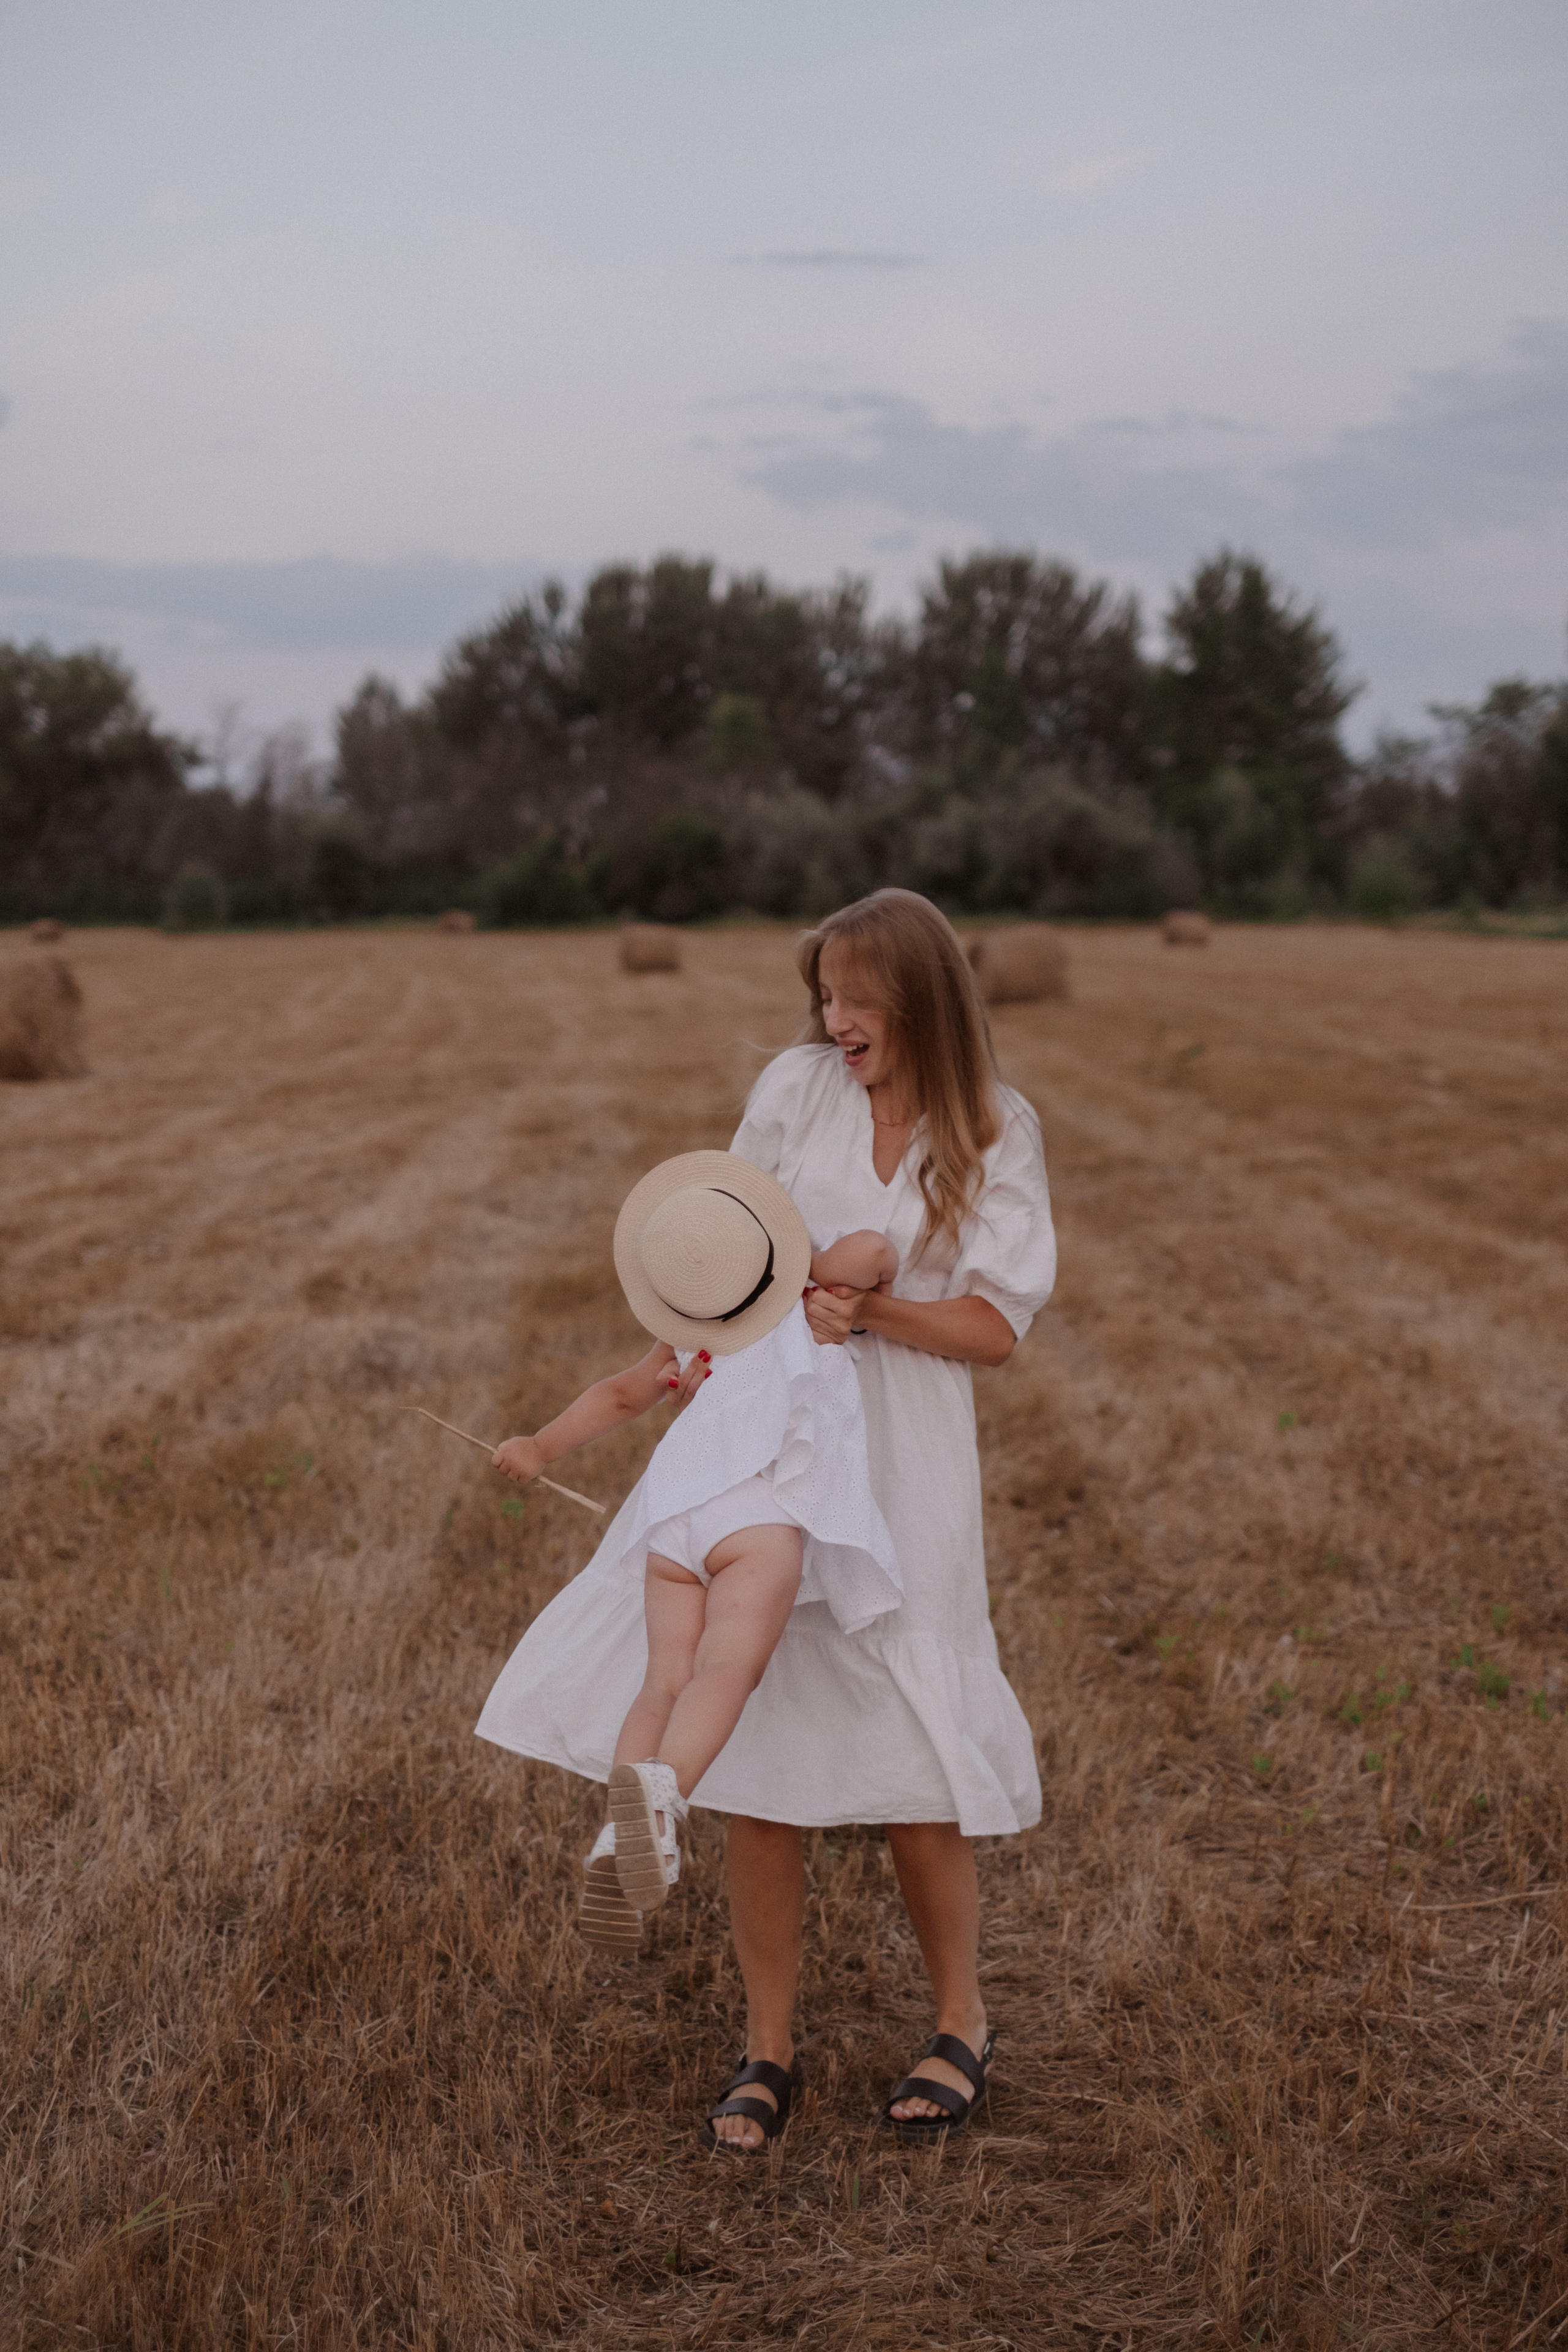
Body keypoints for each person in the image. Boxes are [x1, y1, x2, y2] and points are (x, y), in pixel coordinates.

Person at [478, 889, 1055, 2152]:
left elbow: (996, 1331)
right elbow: (728, 1244)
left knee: (916, 1754)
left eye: (856, 998)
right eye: (824, 997)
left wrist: (878, 1314)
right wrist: (667, 1364)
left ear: (921, 1000)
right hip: (768, 1434)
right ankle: (766, 2047)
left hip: (901, 1451)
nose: (833, 1019)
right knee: (765, 1765)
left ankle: (961, 2021)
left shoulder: (994, 1132)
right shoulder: (797, 1091)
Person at [484, 1155, 904, 2022]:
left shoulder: (689, 1342)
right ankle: (665, 1797)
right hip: (757, 1517)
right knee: (727, 1669)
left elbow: (623, 1394)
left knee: (664, 1677)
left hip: (673, 1518)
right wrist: (830, 1268)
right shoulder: (801, 1302)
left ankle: (620, 1822)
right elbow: (874, 1252)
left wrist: (538, 1445)